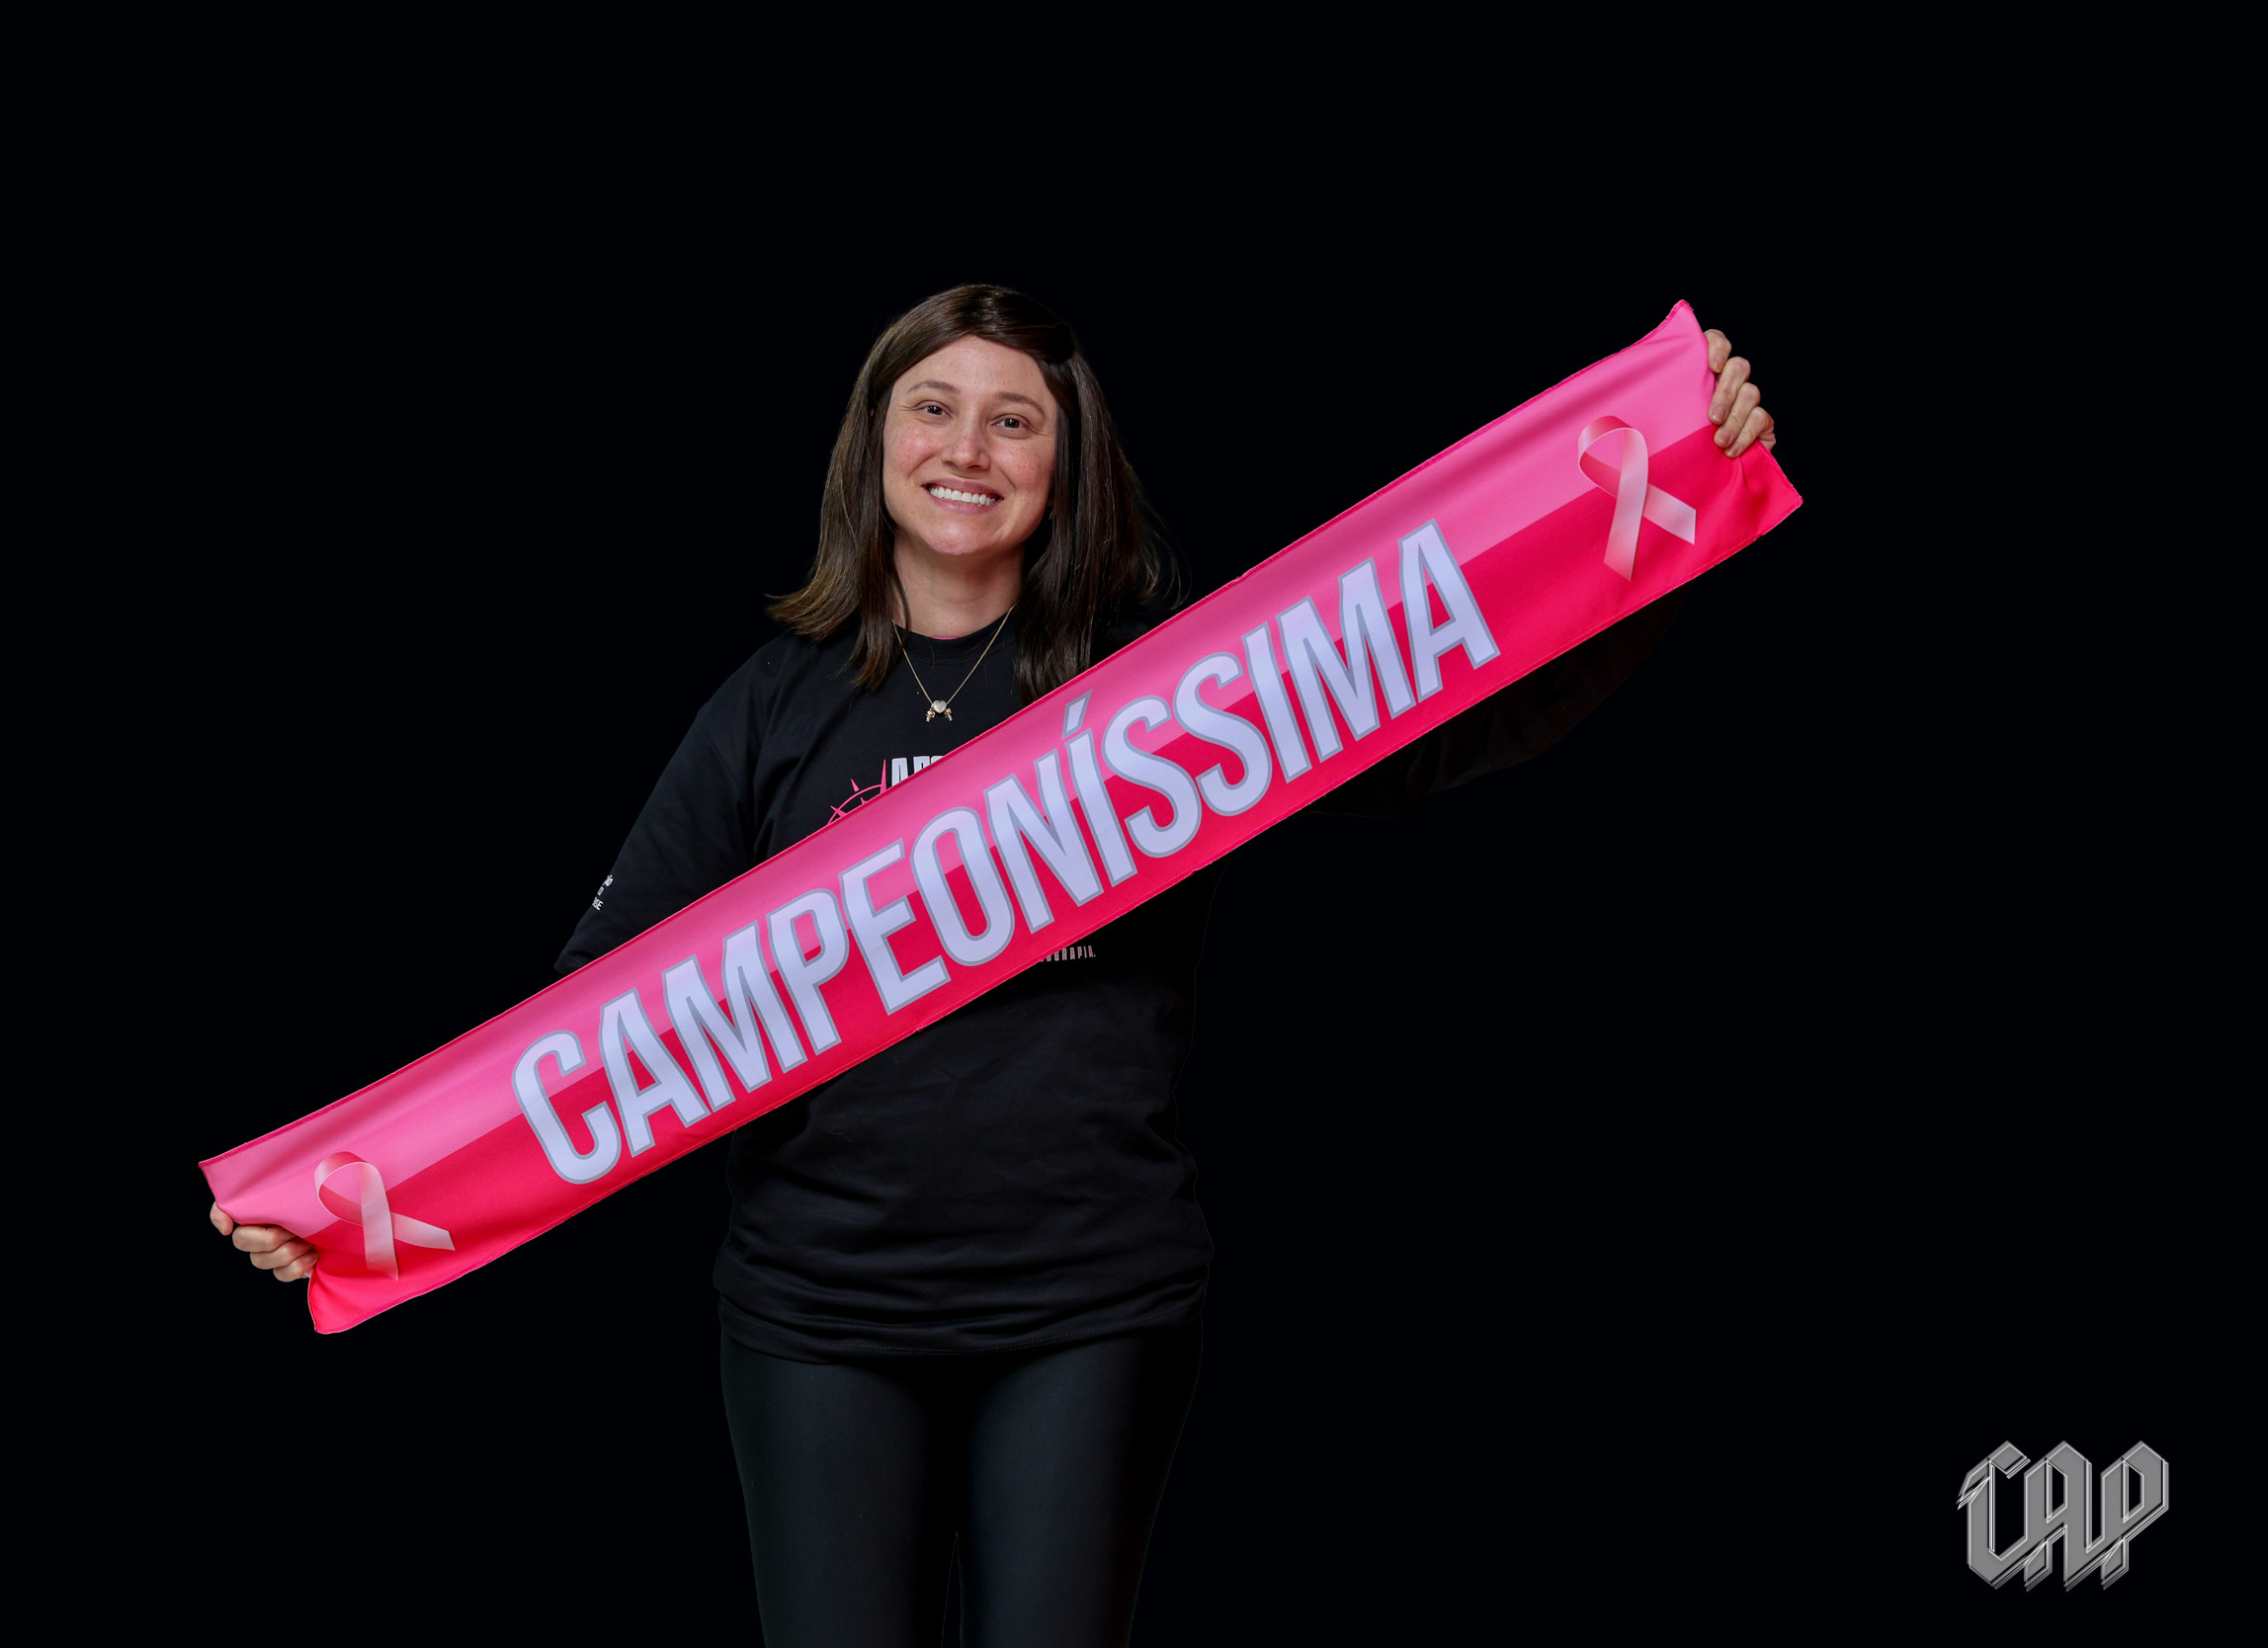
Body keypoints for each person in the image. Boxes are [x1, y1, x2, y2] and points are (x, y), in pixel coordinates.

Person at [210, 285, 1777, 1644]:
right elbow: (590, 1015)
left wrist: (1684, 492)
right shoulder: (771, 708)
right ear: (876, 442)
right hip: (817, 1316)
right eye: (934, 407)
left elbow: (1434, 719)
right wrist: (352, 1190)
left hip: (1092, 1301)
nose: (969, 448)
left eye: (1015, 420)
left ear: (1064, 462)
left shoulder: (1175, 691)